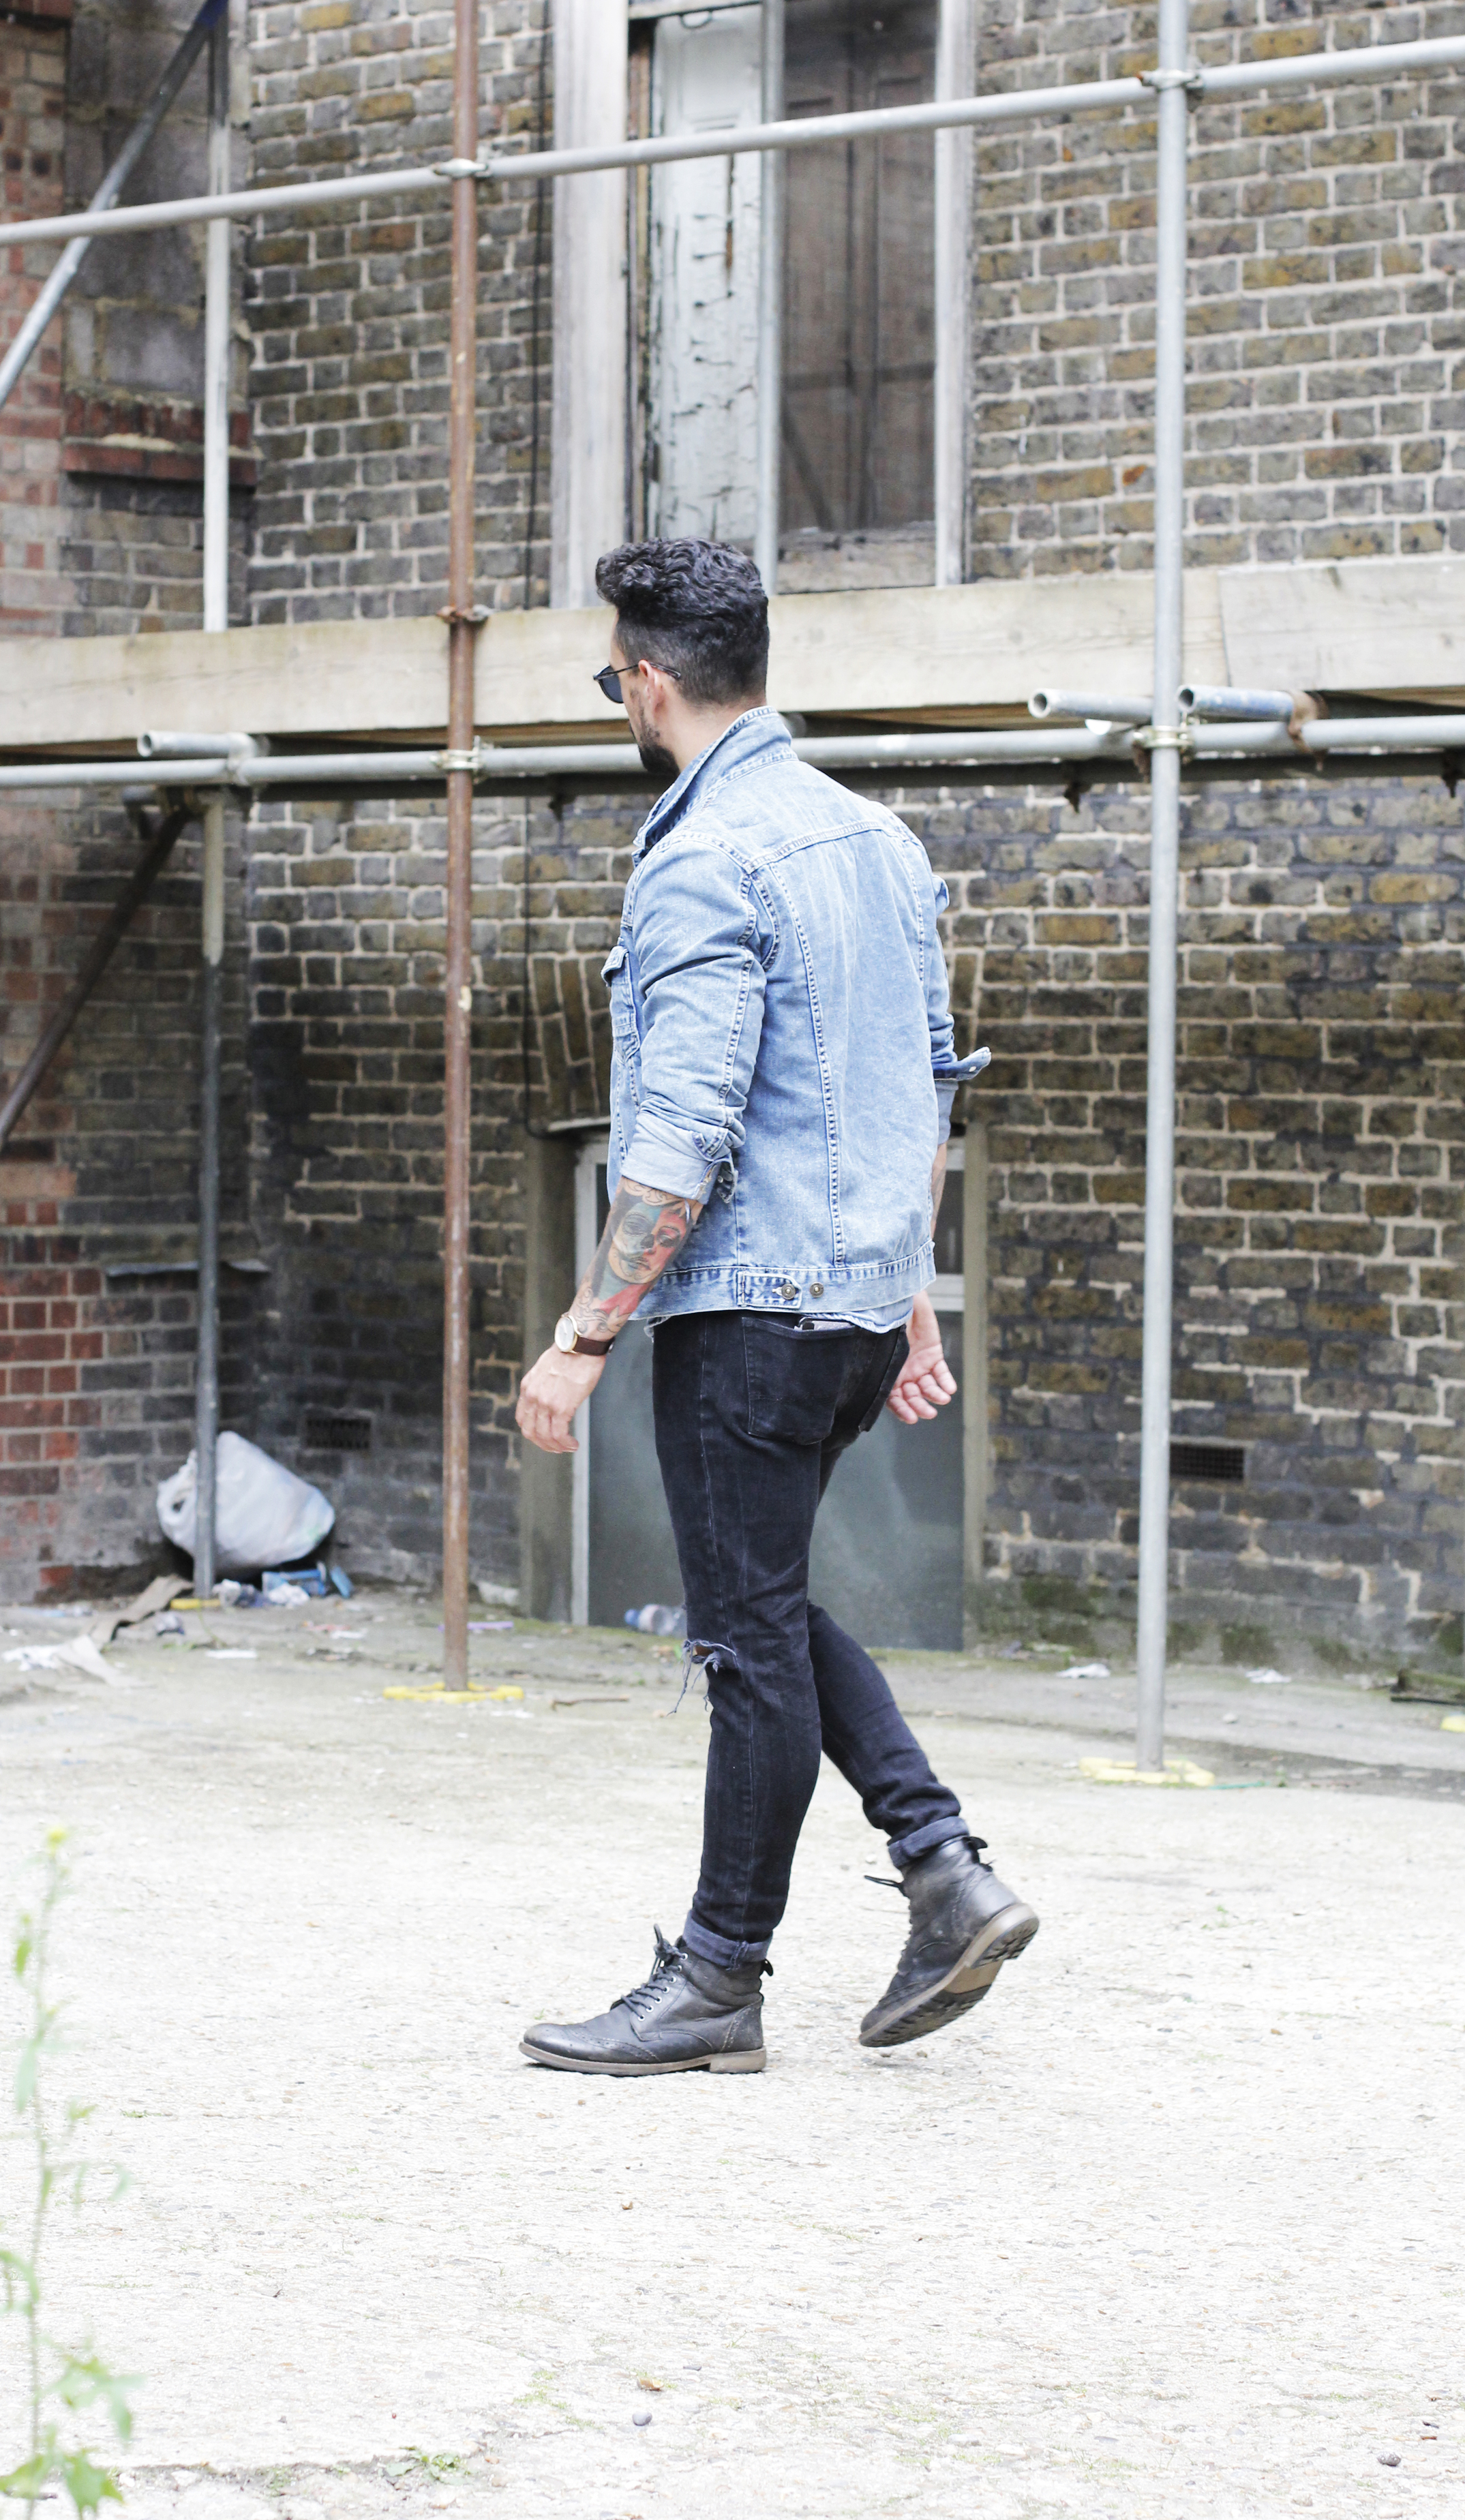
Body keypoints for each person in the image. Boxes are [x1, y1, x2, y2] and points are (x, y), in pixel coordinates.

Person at [514, 538, 1039, 2076]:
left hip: (750, 1314)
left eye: (618, 679)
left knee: (743, 1641)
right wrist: (914, 1302)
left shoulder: (700, 858)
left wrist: (583, 1330)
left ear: (650, 683)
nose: (623, 698)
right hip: (859, 1312)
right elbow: (921, 1093)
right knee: (763, 1606)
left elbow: (680, 1136)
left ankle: (718, 1981)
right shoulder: (875, 840)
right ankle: (940, 1866)